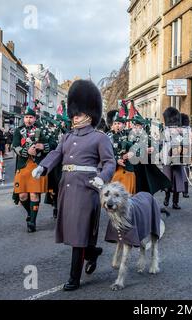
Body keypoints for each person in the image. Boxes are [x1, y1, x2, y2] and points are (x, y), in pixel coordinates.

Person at [32, 80, 117, 291]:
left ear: (88, 114)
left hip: (87, 189)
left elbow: (109, 162)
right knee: (73, 232)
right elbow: (56, 154)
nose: (74, 117)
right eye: (73, 114)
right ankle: (92, 252)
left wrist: (102, 177)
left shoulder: (99, 137)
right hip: (67, 188)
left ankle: (74, 278)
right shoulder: (68, 136)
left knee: (78, 232)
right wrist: (43, 167)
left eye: (77, 114)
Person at [12, 108, 51, 233]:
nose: (28, 119)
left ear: (35, 119)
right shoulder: (18, 131)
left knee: (34, 194)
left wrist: (42, 146)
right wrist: (26, 151)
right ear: (24, 118)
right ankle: (30, 213)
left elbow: (52, 144)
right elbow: (15, 146)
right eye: (27, 117)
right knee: (22, 196)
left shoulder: (41, 130)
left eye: (31, 117)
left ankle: (32, 222)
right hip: (23, 166)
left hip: (36, 166)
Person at [161, 107, 188, 210]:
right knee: (167, 181)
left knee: (177, 182)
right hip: (167, 160)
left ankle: (175, 202)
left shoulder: (180, 131)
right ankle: (167, 197)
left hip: (178, 161)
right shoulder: (165, 131)